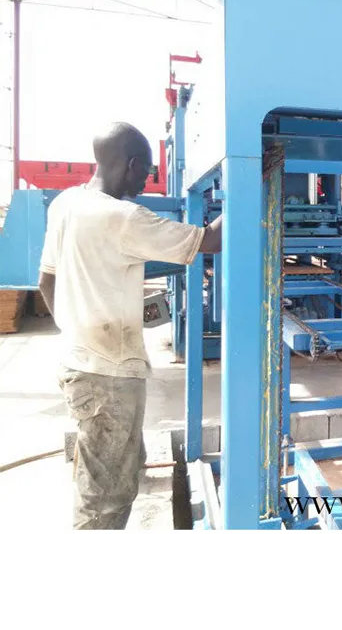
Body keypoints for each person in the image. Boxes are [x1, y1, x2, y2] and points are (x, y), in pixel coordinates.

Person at [38, 123, 222, 530]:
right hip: (110, 377)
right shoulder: (124, 217)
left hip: (77, 365)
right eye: (147, 171)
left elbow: (46, 281)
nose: (147, 180)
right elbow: (210, 241)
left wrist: (77, 329)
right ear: (131, 164)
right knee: (106, 500)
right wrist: (251, 181)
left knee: (113, 468)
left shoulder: (65, 204)